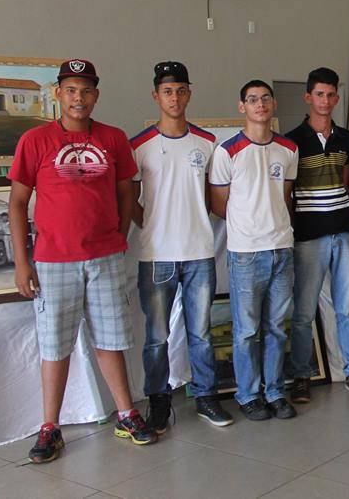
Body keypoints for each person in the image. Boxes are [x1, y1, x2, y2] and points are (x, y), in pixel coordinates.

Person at [8, 59, 156, 464]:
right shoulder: (35, 140)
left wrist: (119, 237)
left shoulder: (112, 138)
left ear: (96, 95)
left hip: (104, 257)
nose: (79, 98)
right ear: (58, 94)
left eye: (87, 90)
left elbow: (126, 193)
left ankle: (126, 414)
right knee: (55, 345)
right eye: (71, 90)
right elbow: (18, 203)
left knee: (111, 339)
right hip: (53, 260)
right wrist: (22, 262)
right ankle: (50, 427)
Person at [130, 61, 233, 431]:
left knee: (201, 333)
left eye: (181, 90)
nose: (174, 98)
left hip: (199, 254)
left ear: (189, 94)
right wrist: (152, 225)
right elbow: (129, 199)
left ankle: (206, 396)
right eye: (167, 91)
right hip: (157, 256)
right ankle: (158, 401)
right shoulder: (139, 145)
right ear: (156, 96)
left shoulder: (206, 142)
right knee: (157, 336)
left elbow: (210, 194)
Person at [209, 80, 299, 420]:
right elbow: (220, 204)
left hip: (282, 249)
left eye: (265, 98)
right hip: (246, 254)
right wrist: (249, 227)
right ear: (242, 107)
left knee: (276, 326)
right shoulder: (227, 151)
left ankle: (274, 391)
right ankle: (248, 395)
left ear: (273, 104)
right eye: (252, 99)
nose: (260, 104)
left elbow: (285, 197)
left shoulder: (288, 149)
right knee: (247, 330)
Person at [286, 67, 349, 401]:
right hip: (308, 236)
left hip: (342, 232)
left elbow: (348, 181)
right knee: (304, 311)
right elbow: (287, 191)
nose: (325, 100)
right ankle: (300, 375)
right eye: (319, 94)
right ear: (308, 97)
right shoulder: (292, 141)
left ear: (337, 98)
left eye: (330, 94)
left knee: (347, 308)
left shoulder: (345, 139)